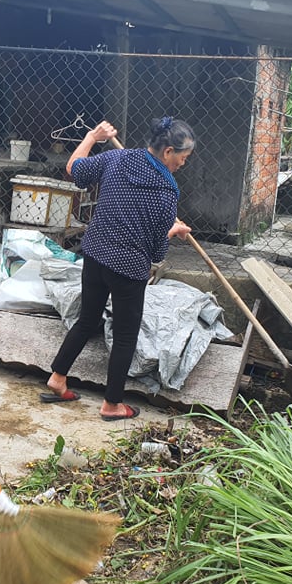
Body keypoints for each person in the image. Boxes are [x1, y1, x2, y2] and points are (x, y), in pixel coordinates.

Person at [41, 117, 195, 421]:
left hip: (96, 255)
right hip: (128, 269)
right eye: (183, 158)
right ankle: (112, 405)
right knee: (125, 337)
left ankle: (58, 379)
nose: (183, 164)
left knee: (86, 321)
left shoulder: (118, 157)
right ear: (167, 153)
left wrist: (91, 137)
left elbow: (75, 170)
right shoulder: (167, 189)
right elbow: (155, 252)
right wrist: (172, 231)